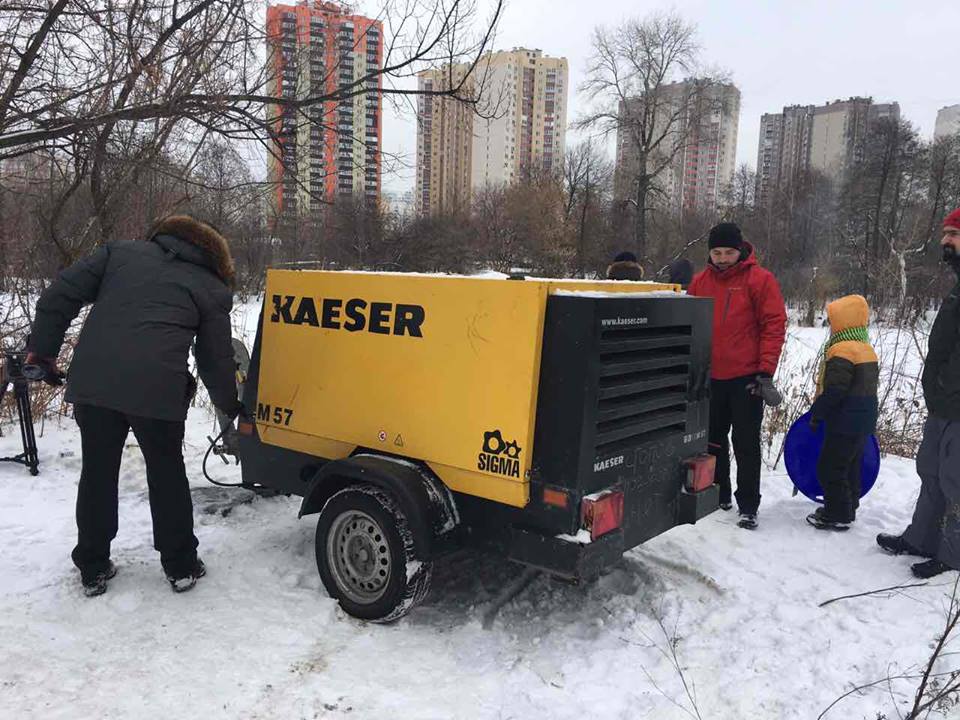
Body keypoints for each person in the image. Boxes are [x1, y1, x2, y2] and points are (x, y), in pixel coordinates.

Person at [27, 215, 242, 596]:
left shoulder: (119, 254)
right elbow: (215, 360)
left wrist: (42, 353)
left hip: (94, 384)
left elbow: (60, 294)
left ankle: (92, 566)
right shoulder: (211, 287)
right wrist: (231, 405)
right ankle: (180, 565)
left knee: (97, 471)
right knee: (167, 474)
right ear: (216, 255)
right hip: (158, 392)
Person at [877, 208, 960, 578]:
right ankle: (922, 538)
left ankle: (953, 554)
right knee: (930, 469)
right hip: (943, 402)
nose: (946, 241)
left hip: (956, 402)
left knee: (955, 479)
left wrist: (947, 384)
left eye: (954, 234)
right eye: (945, 233)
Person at [688, 222, 787, 529]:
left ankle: (748, 505)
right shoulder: (699, 283)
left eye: (728, 252)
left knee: (745, 443)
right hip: (710, 378)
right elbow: (688, 326)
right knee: (712, 442)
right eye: (716, 252)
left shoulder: (760, 280)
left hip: (747, 379)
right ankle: (720, 494)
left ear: (740, 250)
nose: (722, 258)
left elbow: (774, 325)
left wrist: (765, 372)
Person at [806, 295, 878, 531]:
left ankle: (837, 513)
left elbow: (835, 390)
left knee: (829, 468)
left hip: (844, 421)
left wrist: (817, 413)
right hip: (863, 421)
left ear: (842, 322)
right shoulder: (866, 348)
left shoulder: (842, 350)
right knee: (850, 466)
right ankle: (848, 507)